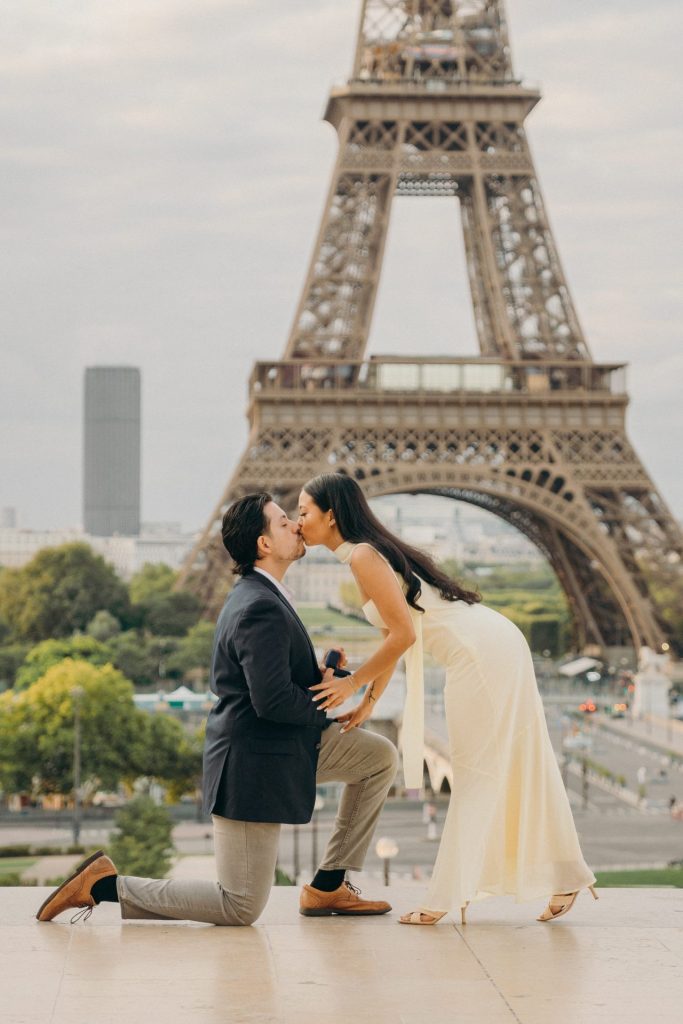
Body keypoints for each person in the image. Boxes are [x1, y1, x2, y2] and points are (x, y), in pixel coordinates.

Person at [36, 492, 398, 926]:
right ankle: (101, 886)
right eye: (284, 522)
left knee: (378, 757)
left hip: (275, 746)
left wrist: (321, 675)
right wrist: (330, 698)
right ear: (264, 543)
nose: (296, 526)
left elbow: (269, 683)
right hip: (254, 763)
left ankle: (328, 883)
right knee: (239, 905)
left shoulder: (263, 594)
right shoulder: (260, 606)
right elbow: (272, 701)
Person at [298, 473, 597, 926]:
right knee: (520, 761)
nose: (298, 521)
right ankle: (565, 873)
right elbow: (394, 636)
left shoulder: (362, 556)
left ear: (331, 515)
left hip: (478, 654)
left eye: (303, 512)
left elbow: (401, 635)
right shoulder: (363, 554)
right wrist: (371, 701)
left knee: (475, 772)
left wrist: (352, 683)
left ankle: (445, 896)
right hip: (490, 642)